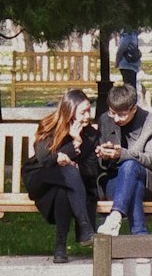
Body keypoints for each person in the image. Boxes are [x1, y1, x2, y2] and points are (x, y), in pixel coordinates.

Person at [23, 89, 100, 263]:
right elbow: (44, 159)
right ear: (69, 111)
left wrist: (73, 151)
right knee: (67, 173)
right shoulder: (49, 125)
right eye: (83, 112)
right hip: (41, 178)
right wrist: (74, 145)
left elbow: (90, 169)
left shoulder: (91, 135)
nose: (88, 116)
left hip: (70, 184)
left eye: (89, 111)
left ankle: (60, 248)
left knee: (64, 187)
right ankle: (85, 226)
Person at [95, 84, 152, 237]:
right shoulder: (105, 120)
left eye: (121, 115)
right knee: (133, 185)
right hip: (114, 181)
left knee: (130, 166)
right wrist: (103, 154)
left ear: (133, 109)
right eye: (112, 112)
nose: (116, 118)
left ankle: (115, 216)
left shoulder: (150, 122)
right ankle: (140, 238)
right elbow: (102, 165)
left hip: (150, 182)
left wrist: (123, 154)